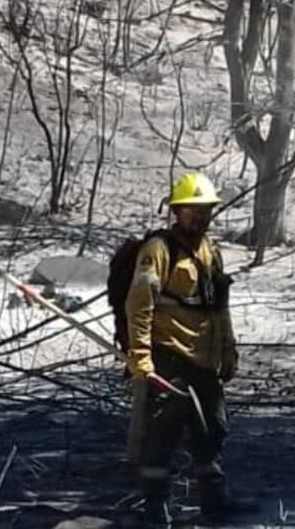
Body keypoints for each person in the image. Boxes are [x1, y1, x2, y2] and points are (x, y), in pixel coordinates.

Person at [125, 172, 240, 527]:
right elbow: (139, 306)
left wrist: (228, 350)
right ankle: (156, 510)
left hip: (205, 363)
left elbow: (219, 308)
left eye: (205, 210)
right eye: (193, 210)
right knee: (162, 437)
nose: (200, 216)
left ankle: (214, 505)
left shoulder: (211, 252)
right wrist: (141, 358)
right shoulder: (158, 251)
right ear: (177, 211)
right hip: (169, 358)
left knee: (213, 431)